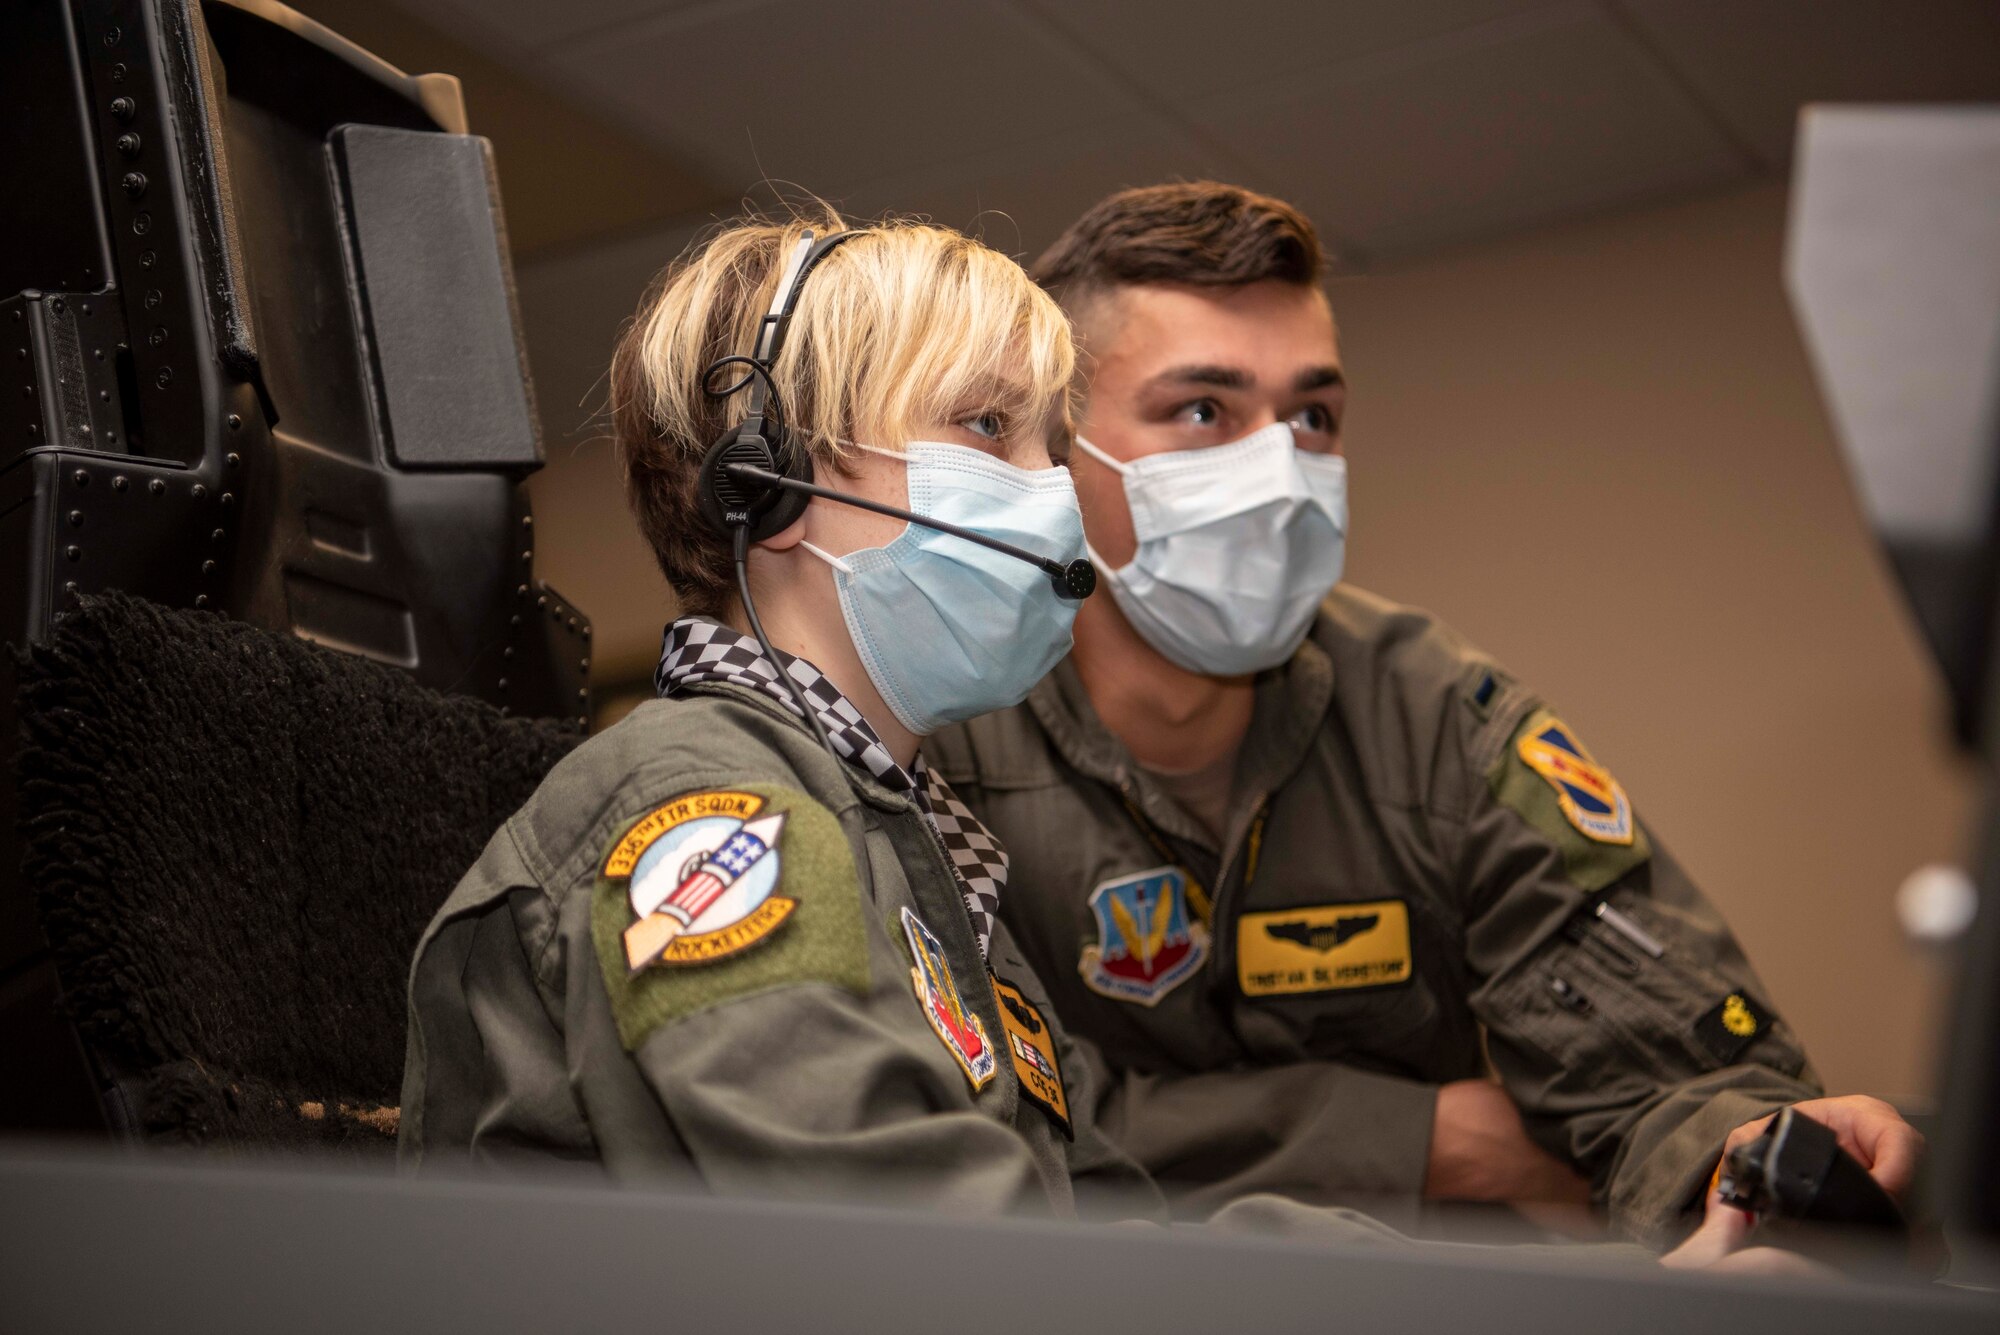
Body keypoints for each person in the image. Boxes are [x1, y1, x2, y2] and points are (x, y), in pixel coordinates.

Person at [924, 182, 1924, 1247]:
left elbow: (1658, 1062)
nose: (1277, 469)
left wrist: (1753, 1150)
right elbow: (976, 1122)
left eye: (1311, 416)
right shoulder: (938, 727)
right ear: (1055, 446)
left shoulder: (1436, 713)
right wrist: (1423, 1138)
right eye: (1203, 409)